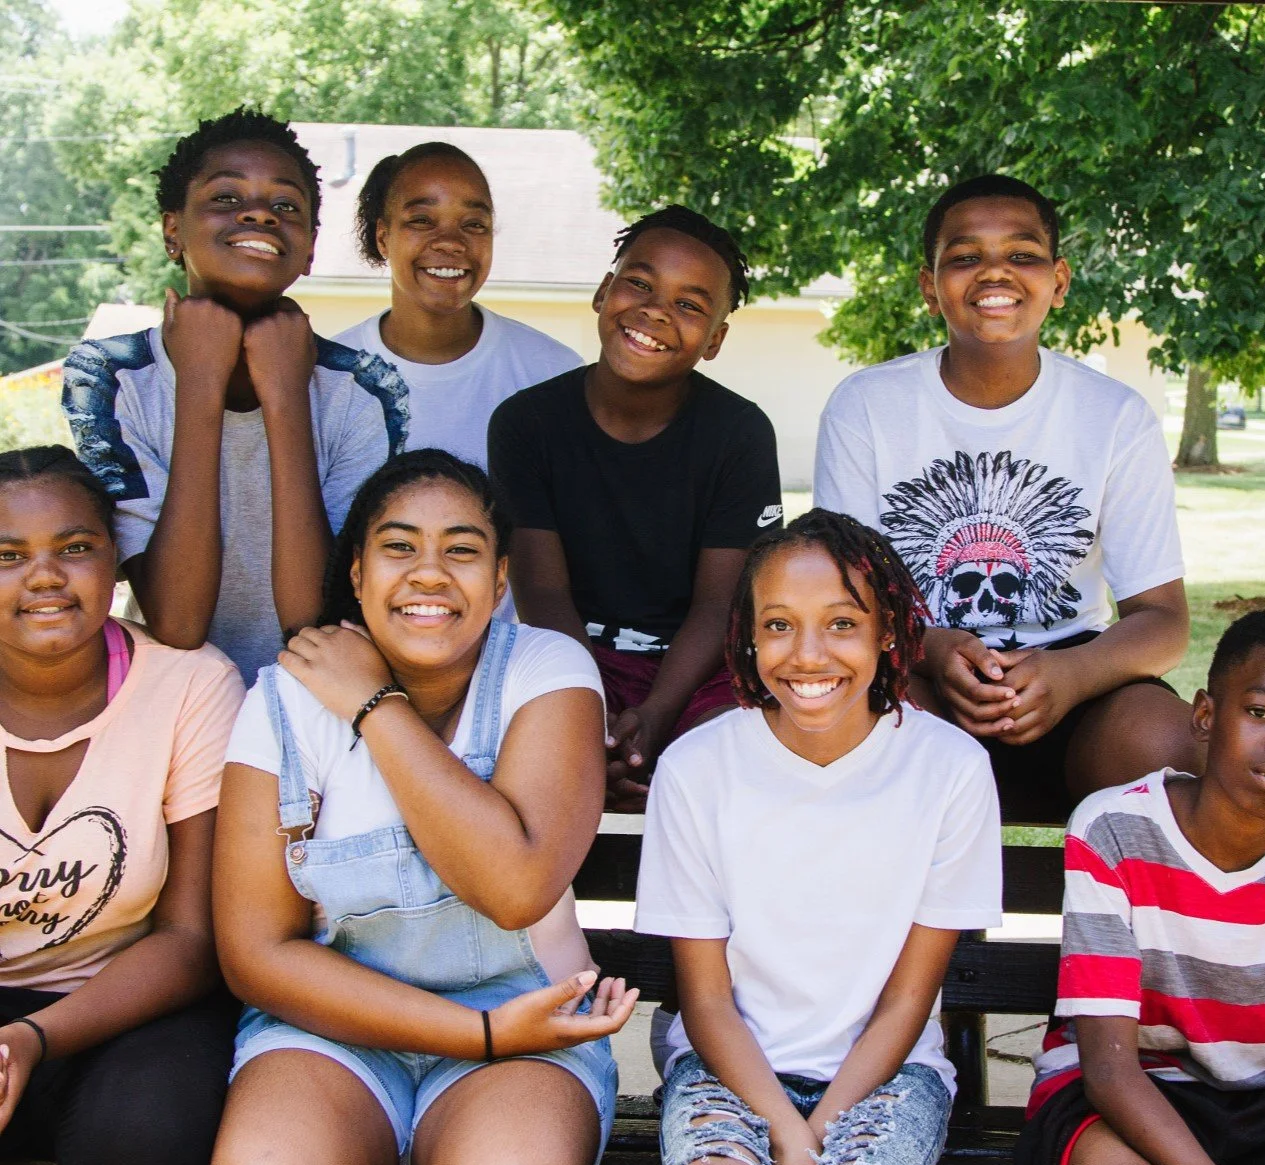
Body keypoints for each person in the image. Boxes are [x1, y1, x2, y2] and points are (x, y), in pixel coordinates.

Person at [188, 449, 637, 1165]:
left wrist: (374, 703)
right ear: (357, 572)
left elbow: (514, 888)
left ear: (500, 580)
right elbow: (257, 952)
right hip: (332, 1031)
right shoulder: (283, 700)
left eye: (461, 550)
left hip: (529, 1029)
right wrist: (471, 1032)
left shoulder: (544, 671)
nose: (430, 572)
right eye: (399, 547)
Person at [634, 509, 1002, 1165]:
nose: (807, 655)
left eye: (840, 623)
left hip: (890, 1071)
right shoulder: (697, 769)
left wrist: (813, 1152)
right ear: (745, 636)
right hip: (728, 1065)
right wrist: (787, 1140)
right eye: (778, 625)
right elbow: (706, 1000)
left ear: (888, 632)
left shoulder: (947, 769)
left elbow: (907, 1000)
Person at [813, 174, 1202, 816]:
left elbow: (1163, 620)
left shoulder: (1115, 415)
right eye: (965, 256)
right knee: (865, 724)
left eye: (1022, 254)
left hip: (1075, 673)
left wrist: (1072, 675)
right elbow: (841, 598)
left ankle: (1131, 885)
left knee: (1167, 741)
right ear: (930, 287)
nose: (995, 272)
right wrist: (930, 649)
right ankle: (912, 886)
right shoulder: (867, 407)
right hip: (916, 661)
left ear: (1060, 281)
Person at [1013, 608, 1265, 1165]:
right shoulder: (1116, 828)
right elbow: (1109, 1070)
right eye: (1261, 712)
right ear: (1205, 716)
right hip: (1127, 1091)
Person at [0, 446, 244, 1165]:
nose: (45, 577)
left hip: (132, 1002)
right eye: (8, 554)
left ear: (116, 558)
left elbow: (192, 938)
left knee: (144, 1138)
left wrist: (32, 1038)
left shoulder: (189, 685)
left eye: (74, 547)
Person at [63, 108, 407, 686]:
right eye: (226, 197)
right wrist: (200, 381)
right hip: (175, 701)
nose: (259, 214)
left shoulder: (364, 390)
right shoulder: (112, 379)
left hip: (317, 700)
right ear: (172, 231)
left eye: (286, 205)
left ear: (310, 248)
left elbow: (311, 622)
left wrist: (287, 396)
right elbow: (178, 622)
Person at [489, 205, 783, 812]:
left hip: (699, 668)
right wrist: (590, 716)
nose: (656, 311)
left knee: (734, 754)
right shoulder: (527, 423)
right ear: (604, 292)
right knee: (529, 748)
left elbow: (720, 604)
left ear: (715, 340)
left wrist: (653, 716)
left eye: (689, 304)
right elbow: (542, 592)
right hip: (568, 655)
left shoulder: (740, 433)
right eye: (640, 283)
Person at [336, 140, 581, 468]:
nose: (451, 242)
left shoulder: (554, 375)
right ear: (383, 238)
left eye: (474, 224)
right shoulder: (329, 377)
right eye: (422, 220)